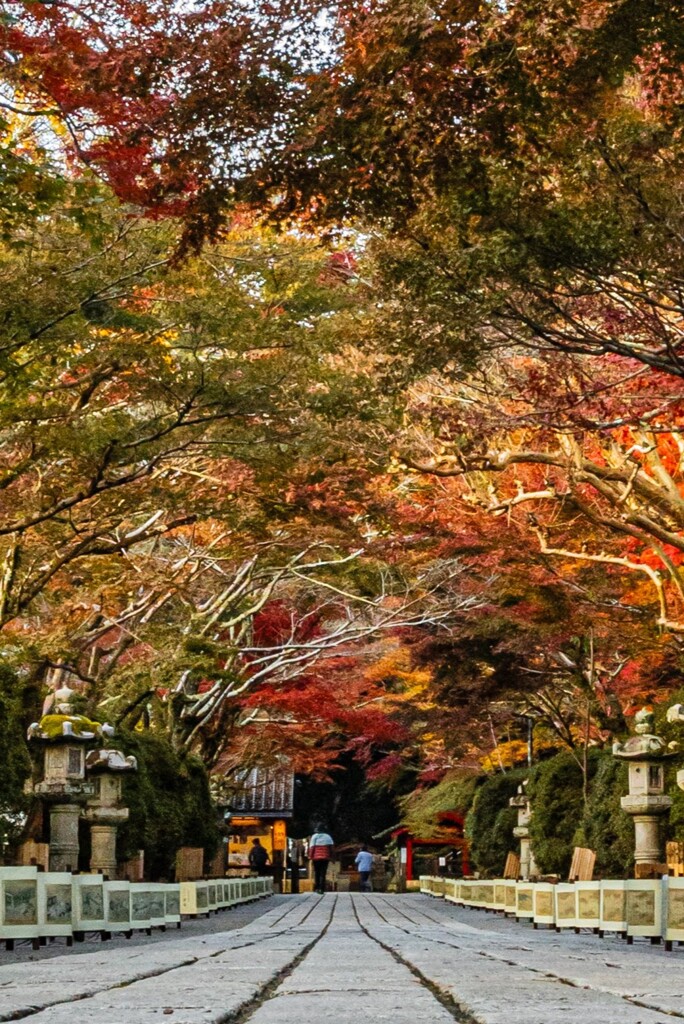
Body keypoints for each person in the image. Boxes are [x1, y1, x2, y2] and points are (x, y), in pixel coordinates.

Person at [308, 825, 334, 893]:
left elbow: (312, 847)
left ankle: (317, 888)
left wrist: (310, 856)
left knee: (317, 872)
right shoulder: (328, 836)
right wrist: (331, 857)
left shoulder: (314, 836)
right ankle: (322, 888)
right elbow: (331, 848)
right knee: (323, 873)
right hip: (325, 858)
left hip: (316, 858)